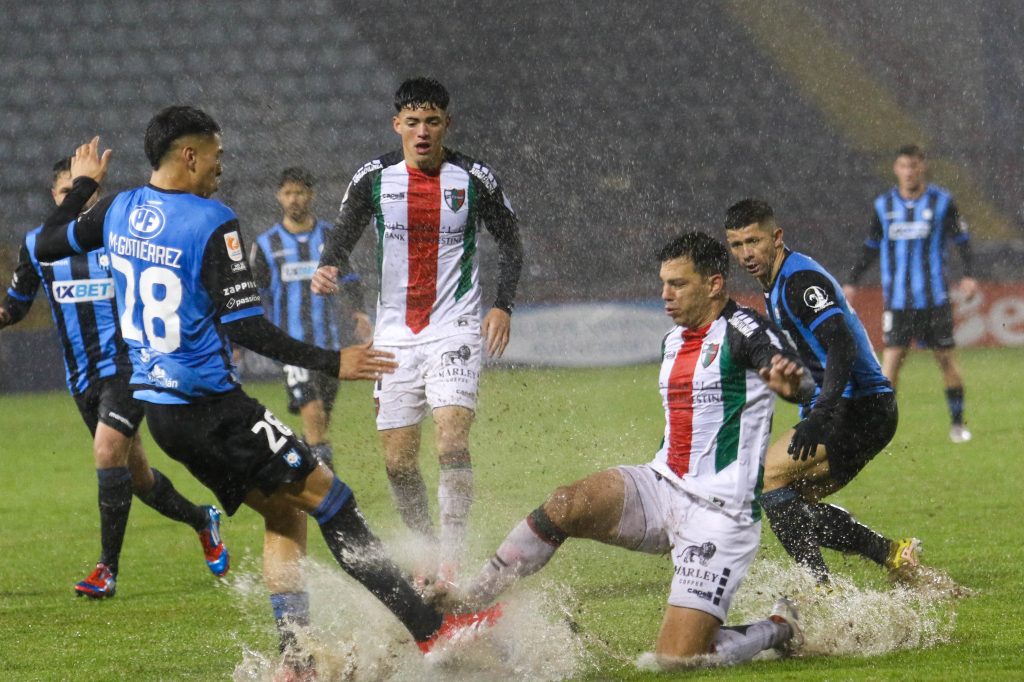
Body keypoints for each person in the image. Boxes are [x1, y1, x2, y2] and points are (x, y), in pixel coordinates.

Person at [35, 110, 501, 679]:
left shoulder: (117, 209)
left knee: (284, 514)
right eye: (216, 155)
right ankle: (434, 632)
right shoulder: (213, 221)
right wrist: (332, 360)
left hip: (163, 418)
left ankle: (296, 660)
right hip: (217, 411)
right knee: (334, 502)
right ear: (188, 156)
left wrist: (83, 185)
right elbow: (246, 327)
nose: (221, 167)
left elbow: (52, 242)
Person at [440, 232, 811, 670]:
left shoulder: (743, 329)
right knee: (565, 504)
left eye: (678, 285)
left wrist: (790, 383)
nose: (665, 296)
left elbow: (783, 368)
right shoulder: (672, 340)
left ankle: (780, 627)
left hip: (720, 515)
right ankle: (468, 602)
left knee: (675, 660)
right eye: (663, 284)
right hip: (661, 485)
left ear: (714, 284)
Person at [312, 77, 523, 585]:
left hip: (455, 327)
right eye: (413, 122)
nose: (423, 131)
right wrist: (328, 266)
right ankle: (426, 550)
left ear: (447, 123)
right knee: (398, 461)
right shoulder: (374, 178)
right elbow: (343, 233)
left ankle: (449, 561)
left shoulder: (475, 178)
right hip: (394, 336)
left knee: (451, 438)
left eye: (432, 121)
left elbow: (511, 243)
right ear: (397, 125)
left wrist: (503, 306)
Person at [0, 157, 228, 599]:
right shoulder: (36, 246)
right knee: (136, 478)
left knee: (106, 452)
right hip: (82, 379)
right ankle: (202, 519)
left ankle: (107, 570)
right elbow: (16, 304)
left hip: (128, 368)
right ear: (55, 197)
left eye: (84, 192)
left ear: (96, 197)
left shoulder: (119, 237)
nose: (76, 199)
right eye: (68, 192)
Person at [724, 198, 920, 584]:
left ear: (776, 237)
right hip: (860, 409)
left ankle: (822, 587)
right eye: (737, 245)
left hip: (859, 407)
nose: (746, 254)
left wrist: (820, 415)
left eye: (754, 241)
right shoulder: (777, 283)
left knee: (766, 478)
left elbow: (841, 345)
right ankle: (893, 554)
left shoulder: (799, 281)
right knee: (789, 504)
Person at [844, 144, 976, 443]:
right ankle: (880, 429)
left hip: (934, 299)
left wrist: (968, 274)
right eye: (904, 166)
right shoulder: (884, 205)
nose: (909, 172)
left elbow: (963, 239)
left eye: (914, 166)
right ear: (896, 168)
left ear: (922, 167)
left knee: (946, 360)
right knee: (891, 364)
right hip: (898, 301)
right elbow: (871, 246)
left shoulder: (942, 202)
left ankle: (957, 424)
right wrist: (852, 280)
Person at [250, 166, 372, 470]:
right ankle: (329, 493)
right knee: (314, 412)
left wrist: (358, 313)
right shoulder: (266, 245)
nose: (294, 199)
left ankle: (301, 472)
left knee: (320, 422)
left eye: (300, 192)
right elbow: (255, 293)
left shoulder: (330, 237)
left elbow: (351, 279)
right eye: (289, 193)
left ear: (311, 195)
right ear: (279, 196)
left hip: (328, 347)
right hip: (291, 348)